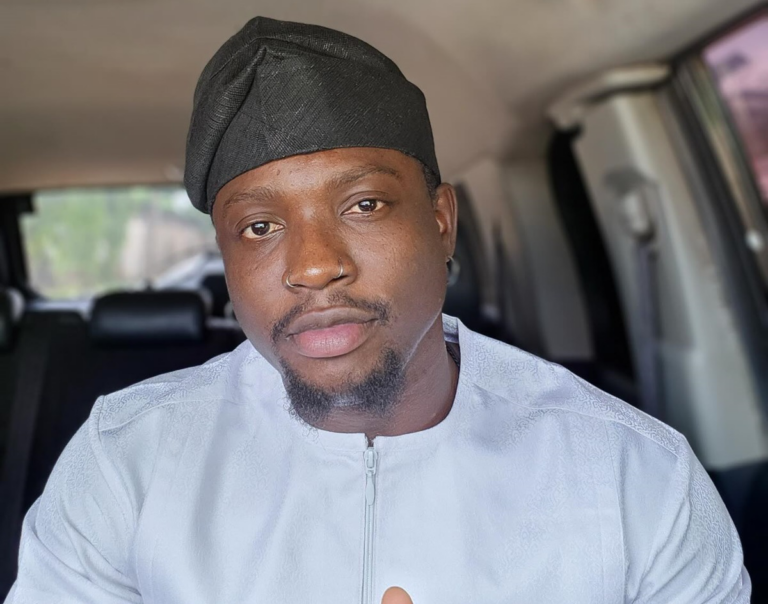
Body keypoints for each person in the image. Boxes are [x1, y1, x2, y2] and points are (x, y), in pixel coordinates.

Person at [5, 16, 750, 604]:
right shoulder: (126, 463)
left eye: (363, 204)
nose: (313, 265)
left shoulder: (635, 476)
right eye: (259, 226)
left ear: (442, 222)